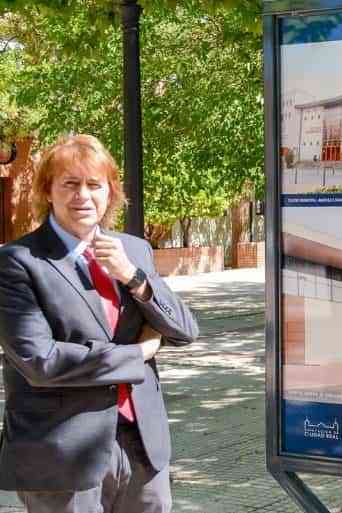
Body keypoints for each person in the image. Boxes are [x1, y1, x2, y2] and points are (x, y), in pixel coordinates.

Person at [0, 134, 199, 513]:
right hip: (62, 452)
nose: (83, 196)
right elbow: (40, 361)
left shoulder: (133, 250)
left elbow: (185, 330)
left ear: (110, 192)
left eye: (94, 184)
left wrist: (133, 277)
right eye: (70, 184)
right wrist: (138, 353)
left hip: (141, 445)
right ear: (47, 191)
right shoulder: (17, 262)